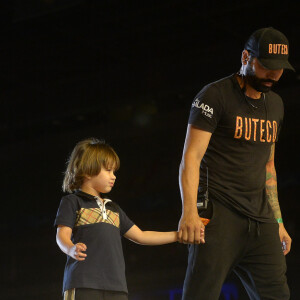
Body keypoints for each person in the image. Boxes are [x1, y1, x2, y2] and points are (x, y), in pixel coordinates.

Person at [178, 27, 294, 300]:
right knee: (200, 294)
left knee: (278, 295)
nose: (274, 75)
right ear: (246, 57)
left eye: (279, 69)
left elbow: (269, 165)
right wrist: (189, 212)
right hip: (220, 215)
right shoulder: (214, 95)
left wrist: (277, 221)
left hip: (261, 219)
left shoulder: (276, 104)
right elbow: (191, 157)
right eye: (267, 66)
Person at [55, 138, 177, 300]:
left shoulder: (114, 208)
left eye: (114, 172)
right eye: (108, 170)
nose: (114, 177)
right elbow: (61, 235)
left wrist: (178, 235)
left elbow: (141, 236)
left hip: (117, 288)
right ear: (87, 170)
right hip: (82, 283)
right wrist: (71, 248)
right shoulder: (72, 202)